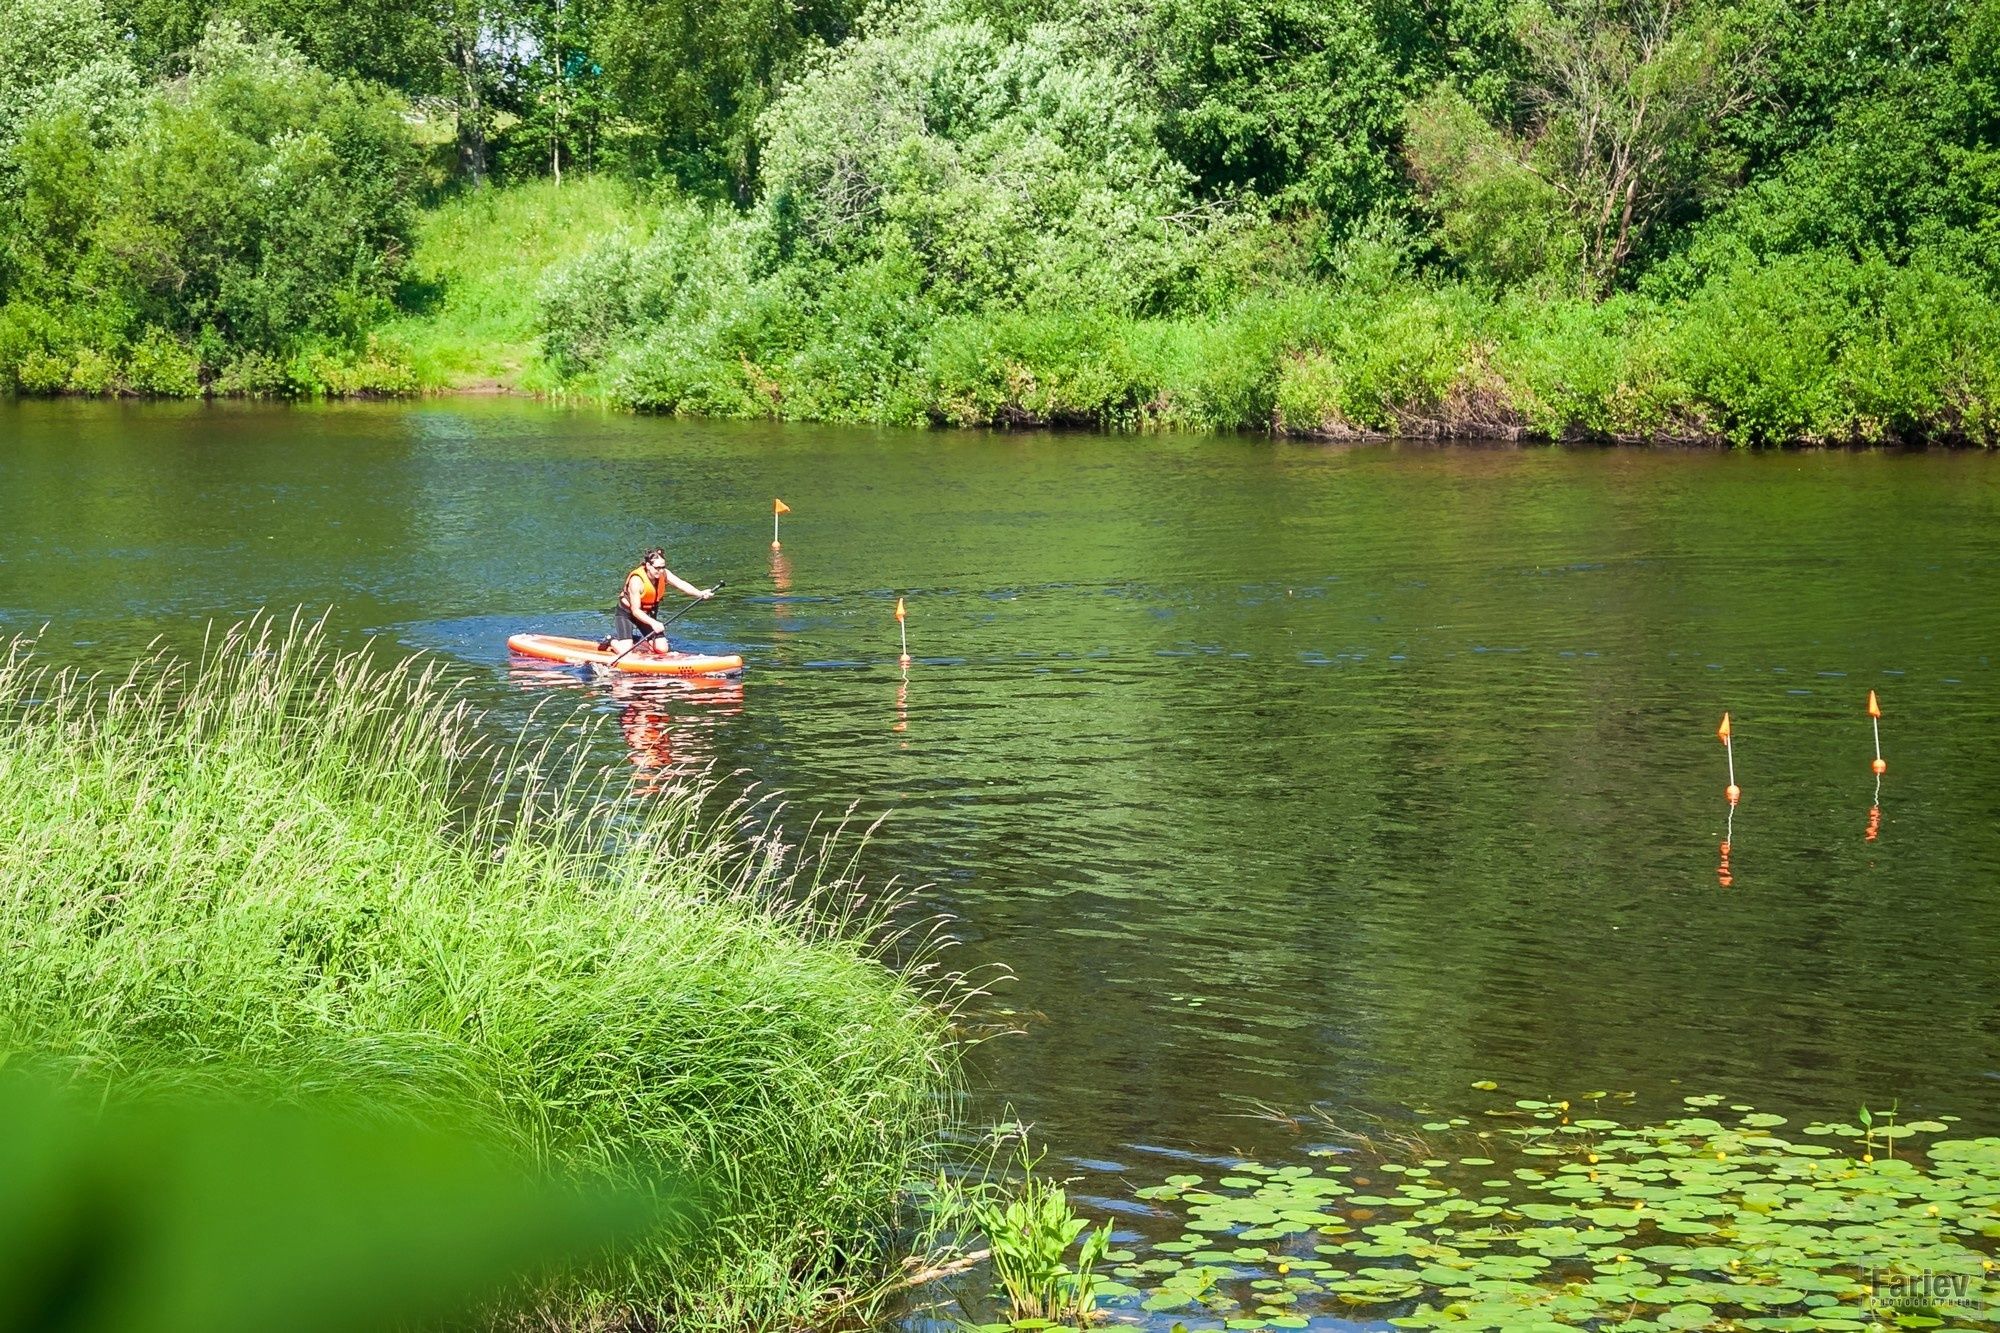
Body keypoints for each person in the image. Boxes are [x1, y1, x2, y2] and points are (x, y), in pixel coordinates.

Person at [610, 548, 712, 655]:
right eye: (657, 568)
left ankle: (636, 640)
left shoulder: (664, 574)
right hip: (627, 614)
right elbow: (635, 611)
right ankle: (611, 640)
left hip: (647, 615)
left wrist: (700, 593)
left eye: (663, 567)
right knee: (625, 652)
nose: (661, 571)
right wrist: (653, 623)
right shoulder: (636, 581)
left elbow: (681, 584)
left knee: (662, 649)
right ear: (648, 566)